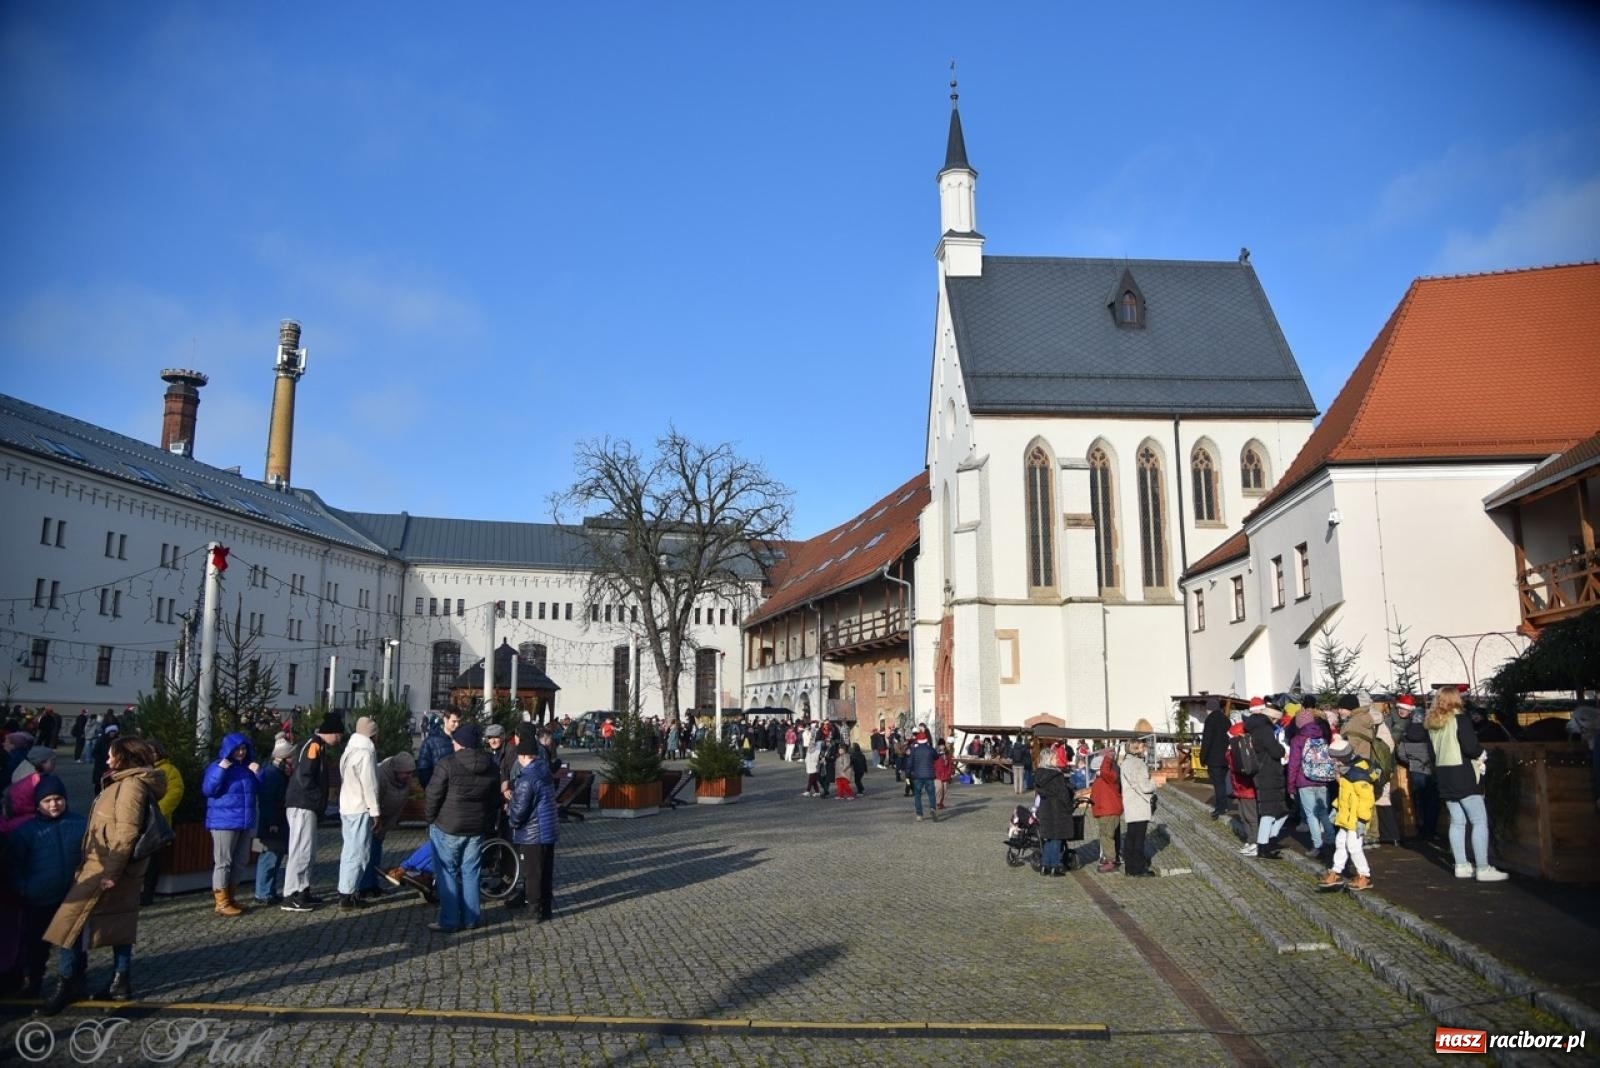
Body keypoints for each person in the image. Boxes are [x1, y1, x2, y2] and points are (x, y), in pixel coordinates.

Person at [40, 736, 164, 1013]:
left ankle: (69, 982)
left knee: (70, 923)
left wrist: (112, 872)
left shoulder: (130, 786)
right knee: (118, 922)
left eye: (111, 754)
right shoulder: (126, 781)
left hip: (106, 867)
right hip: (109, 865)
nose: (107, 759)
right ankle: (119, 982)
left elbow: (126, 833)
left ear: (125, 757)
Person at [8, 774, 86, 998]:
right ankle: (33, 980)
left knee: (71, 942)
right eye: (47, 800)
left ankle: (69, 982)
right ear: (38, 804)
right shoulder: (26, 832)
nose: (54, 804)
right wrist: (23, 888)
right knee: (36, 944)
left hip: (71, 896)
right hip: (38, 897)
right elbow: (15, 865)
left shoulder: (80, 824)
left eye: (58, 799)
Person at [423, 722, 501, 933]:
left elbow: (433, 794)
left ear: (460, 743)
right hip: (476, 828)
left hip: (448, 826)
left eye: (455, 741)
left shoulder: (447, 764)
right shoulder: (491, 766)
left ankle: (449, 920)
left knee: (447, 873)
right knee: (471, 872)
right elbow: (494, 800)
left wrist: (430, 818)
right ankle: (471, 919)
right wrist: (485, 823)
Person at [1425, 687, 1507, 882]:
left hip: (1444, 774)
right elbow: (1470, 748)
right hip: (1462, 773)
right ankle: (1483, 867)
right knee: (1479, 820)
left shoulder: (1432, 724)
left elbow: (1431, 753)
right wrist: (1482, 754)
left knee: (1457, 821)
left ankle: (1461, 865)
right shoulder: (1460, 720)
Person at [281, 713, 344, 912]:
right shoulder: (314, 745)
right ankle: (292, 893)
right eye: (339, 734)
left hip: (306, 805)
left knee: (307, 850)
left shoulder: (317, 745)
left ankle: (303, 889)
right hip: (303, 805)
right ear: (331, 732)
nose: (339, 739)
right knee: (301, 849)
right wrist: (318, 799)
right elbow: (305, 776)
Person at [201, 732, 260, 917]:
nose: (241, 752)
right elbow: (209, 789)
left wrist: (259, 773)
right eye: (237, 749)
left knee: (241, 860)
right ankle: (221, 901)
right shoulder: (217, 766)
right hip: (223, 822)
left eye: (243, 749)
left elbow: (260, 789)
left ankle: (230, 896)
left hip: (244, 821)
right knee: (223, 862)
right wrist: (221, 770)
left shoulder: (247, 768)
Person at [506, 726, 558, 921]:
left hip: (532, 832)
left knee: (532, 873)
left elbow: (519, 811)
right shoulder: (543, 771)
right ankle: (546, 908)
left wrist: (512, 818)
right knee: (545, 871)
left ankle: (533, 909)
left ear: (523, 756)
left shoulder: (527, 778)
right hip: (547, 830)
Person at [337, 716, 382, 910]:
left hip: (346, 805)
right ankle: (348, 894)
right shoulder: (365, 753)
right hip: (360, 807)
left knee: (349, 850)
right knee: (359, 853)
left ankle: (347, 891)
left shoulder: (349, 750)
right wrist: (375, 811)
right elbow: (369, 785)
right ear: (372, 735)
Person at [1319, 739, 1375, 891]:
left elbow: (1367, 799)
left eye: (1336, 759)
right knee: (1340, 843)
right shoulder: (1347, 771)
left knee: (1354, 846)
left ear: (1343, 757)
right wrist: (1336, 808)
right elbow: (1344, 795)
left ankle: (1365, 875)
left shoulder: (1357, 774)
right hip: (1346, 816)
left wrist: (1362, 819)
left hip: (1357, 818)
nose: (1334, 762)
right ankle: (1336, 872)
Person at [362, 751, 415, 901]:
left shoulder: (404, 781)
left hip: (386, 818)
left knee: (376, 852)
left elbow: (400, 804)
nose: (409, 776)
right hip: (373, 817)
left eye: (411, 773)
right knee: (368, 852)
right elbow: (374, 800)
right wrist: (376, 821)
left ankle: (373, 884)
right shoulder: (380, 776)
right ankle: (363, 887)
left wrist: (388, 825)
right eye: (406, 773)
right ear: (397, 770)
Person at [1287, 707, 1337, 861]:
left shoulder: (1298, 740)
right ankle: (1331, 840)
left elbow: (1293, 764)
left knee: (1311, 815)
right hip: (1322, 779)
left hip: (1305, 781)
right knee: (1323, 812)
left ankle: (1318, 845)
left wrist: (1291, 785)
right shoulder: (1322, 736)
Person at [254, 736, 295, 905]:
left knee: (275, 857)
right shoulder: (272, 774)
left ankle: (268, 891)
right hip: (272, 822)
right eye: (290, 756)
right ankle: (263, 893)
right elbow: (267, 800)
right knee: (269, 857)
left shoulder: (276, 772)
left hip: (277, 820)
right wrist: (272, 822)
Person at [1246, 705, 1289, 859]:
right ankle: (1264, 845)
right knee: (1270, 811)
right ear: (1273, 718)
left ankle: (1268, 841)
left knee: (1277, 810)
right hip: (1269, 774)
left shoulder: (1254, 727)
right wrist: (1282, 749)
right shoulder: (1265, 729)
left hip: (1262, 773)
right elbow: (1276, 751)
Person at [1395, 695, 1438, 841]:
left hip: (1415, 770)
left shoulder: (1406, 732)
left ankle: (1420, 828)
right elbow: (1434, 751)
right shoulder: (1430, 733)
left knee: (1418, 800)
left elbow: (1401, 753)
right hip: (1430, 769)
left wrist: (1411, 762)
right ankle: (1431, 830)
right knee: (1432, 801)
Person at [1033, 746, 1074, 876]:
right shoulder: (1056, 775)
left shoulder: (1039, 775)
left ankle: (1045, 865)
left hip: (1046, 809)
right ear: (1049, 759)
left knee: (1049, 839)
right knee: (1057, 838)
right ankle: (1054, 867)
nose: (1057, 759)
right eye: (1055, 758)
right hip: (1058, 810)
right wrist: (1070, 805)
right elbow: (1063, 795)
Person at [1120, 739, 1156, 877]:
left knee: (1131, 835)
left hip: (1130, 803)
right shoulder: (1138, 764)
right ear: (1136, 748)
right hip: (1139, 803)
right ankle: (1138, 868)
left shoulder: (1125, 763)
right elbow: (1144, 787)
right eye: (1142, 747)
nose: (1144, 749)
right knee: (1138, 838)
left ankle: (1129, 867)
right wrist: (1153, 783)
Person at [3, 746, 57, 835]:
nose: (55, 765)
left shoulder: (26, 770)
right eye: (53, 761)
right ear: (42, 762)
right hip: (25, 817)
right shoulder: (34, 779)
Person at [1090, 747, 1123, 872]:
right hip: (1104, 810)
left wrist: (1107, 758)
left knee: (1107, 837)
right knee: (1105, 835)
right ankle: (1109, 858)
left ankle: (1111, 861)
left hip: (1108, 811)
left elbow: (1104, 770)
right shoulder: (1102, 778)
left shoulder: (1109, 776)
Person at [1199, 697, 1232, 818]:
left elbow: (1206, 741)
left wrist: (1202, 757)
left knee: (1218, 784)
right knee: (1222, 782)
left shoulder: (1210, 720)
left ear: (1209, 709)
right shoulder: (1226, 720)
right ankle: (1224, 805)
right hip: (1226, 757)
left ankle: (1220, 808)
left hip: (1214, 758)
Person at [415, 709, 460, 789]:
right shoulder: (431, 741)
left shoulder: (463, 739)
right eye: (454, 721)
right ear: (445, 719)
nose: (457, 724)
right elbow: (423, 769)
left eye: (459, 721)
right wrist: (431, 790)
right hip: (438, 790)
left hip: (458, 790)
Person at [906, 725, 938, 822]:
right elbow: (936, 757)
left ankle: (919, 814)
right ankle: (932, 808)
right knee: (931, 794)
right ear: (926, 740)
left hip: (917, 775)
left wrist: (908, 774)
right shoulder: (930, 749)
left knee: (917, 795)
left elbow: (909, 763)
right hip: (929, 775)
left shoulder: (914, 750)